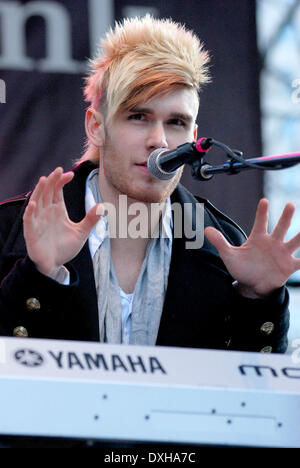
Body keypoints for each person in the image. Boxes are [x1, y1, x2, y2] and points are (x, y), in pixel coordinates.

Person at [0, 15, 297, 353]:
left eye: (176, 122)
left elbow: (247, 394)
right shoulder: (10, 231)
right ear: (96, 127)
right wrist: (38, 275)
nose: (159, 141)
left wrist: (258, 300)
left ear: (194, 138)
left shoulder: (224, 247)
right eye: (138, 116)